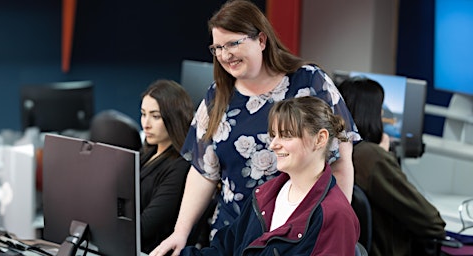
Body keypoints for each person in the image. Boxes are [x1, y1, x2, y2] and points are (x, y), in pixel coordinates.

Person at [150, 1, 360, 255]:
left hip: (295, 237)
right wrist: (181, 232)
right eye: (217, 47)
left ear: (261, 40)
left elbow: (341, 159)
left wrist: (334, 223)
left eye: (233, 43)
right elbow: (204, 170)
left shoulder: (309, 81)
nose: (225, 54)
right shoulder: (217, 97)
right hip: (234, 236)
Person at [181, 96, 360, 255]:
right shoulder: (264, 194)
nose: (273, 145)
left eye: (286, 136)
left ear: (320, 139)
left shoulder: (335, 215)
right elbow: (223, 249)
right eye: (273, 136)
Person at [338, 76, 446, 256]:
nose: (382, 115)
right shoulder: (372, 158)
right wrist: (383, 156)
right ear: (369, 113)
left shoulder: (336, 154)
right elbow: (432, 222)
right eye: (380, 110)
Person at [139, 79, 194, 253]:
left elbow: (145, 227)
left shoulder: (179, 167)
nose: (146, 124)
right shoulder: (148, 150)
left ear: (173, 119)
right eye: (143, 114)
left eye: (155, 116)